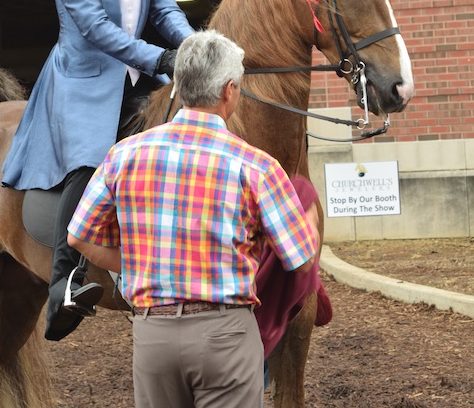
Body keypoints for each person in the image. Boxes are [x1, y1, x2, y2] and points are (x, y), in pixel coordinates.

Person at [1, 0, 195, 342]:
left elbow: (165, 11)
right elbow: (91, 25)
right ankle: (65, 284)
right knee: (91, 164)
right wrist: (157, 58)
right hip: (83, 78)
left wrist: (195, 44)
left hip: (135, 78)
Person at [67, 29, 319, 408]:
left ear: (179, 87)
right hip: (226, 335)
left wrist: (135, 264)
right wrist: (311, 221)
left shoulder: (124, 155)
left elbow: (79, 237)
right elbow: (300, 261)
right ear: (229, 91)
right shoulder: (258, 167)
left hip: (153, 334)